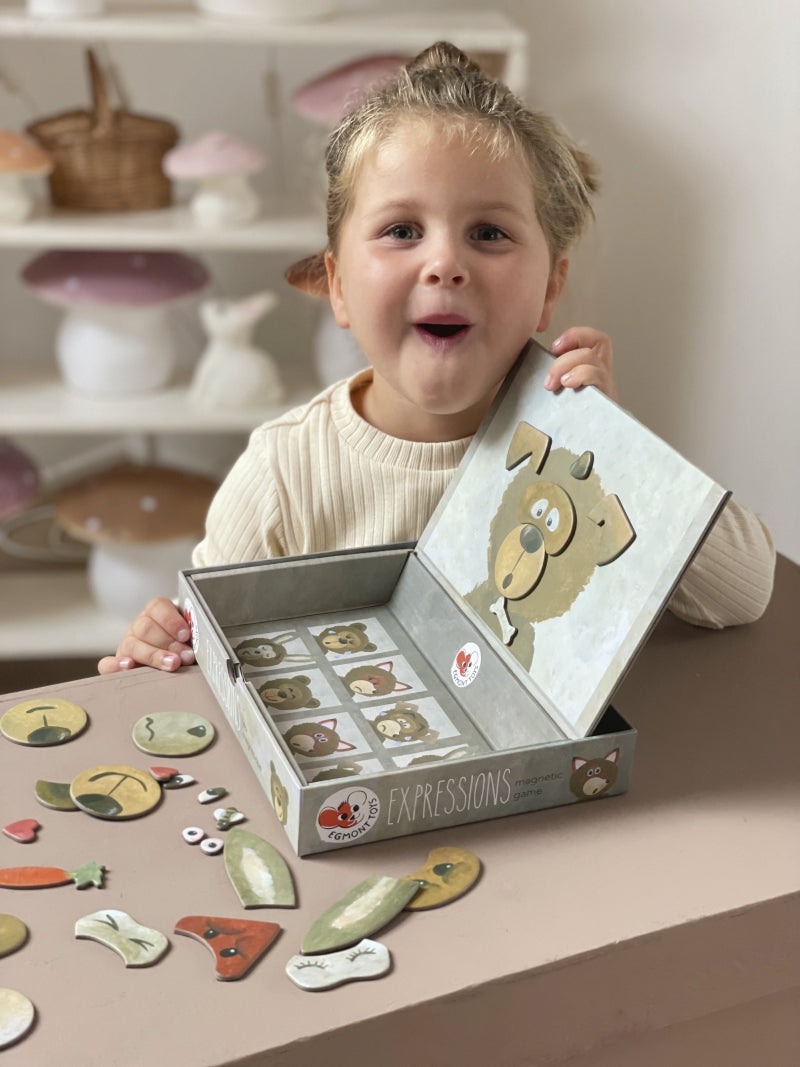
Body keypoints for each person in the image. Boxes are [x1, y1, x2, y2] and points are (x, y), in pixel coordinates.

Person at [98, 42, 774, 676]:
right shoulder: (285, 474)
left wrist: (616, 446)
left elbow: (745, 591)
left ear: (550, 288)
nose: (445, 262)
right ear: (339, 285)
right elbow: (202, 653)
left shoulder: (573, 445)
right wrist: (162, 647)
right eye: (401, 230)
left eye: (489, 233)